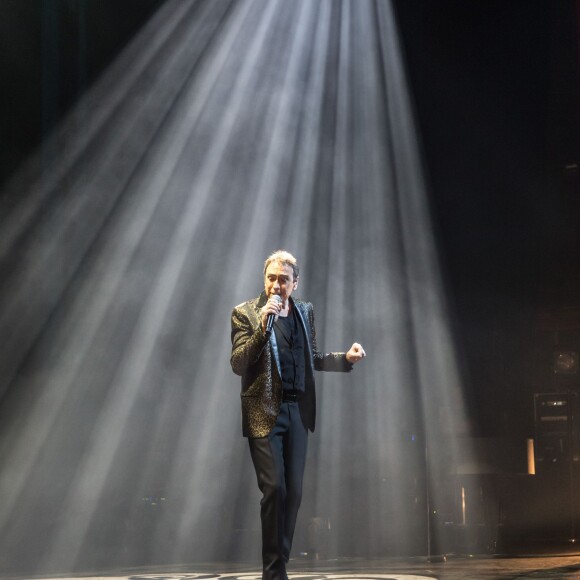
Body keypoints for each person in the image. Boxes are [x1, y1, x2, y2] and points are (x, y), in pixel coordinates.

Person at [230, 250, 366, 580]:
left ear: (295, 282)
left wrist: (344, 358)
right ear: (265, 279)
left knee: (294, 492)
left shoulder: (305, 311)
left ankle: (280, 559)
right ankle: (274, 571)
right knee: (274, 488)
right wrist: (264, 324)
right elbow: (238, 363)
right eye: (271, 278)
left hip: (297, 411)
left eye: (283, 280)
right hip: (264, 412)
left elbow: (313, 358)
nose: (277, 285)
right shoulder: (246, 313)